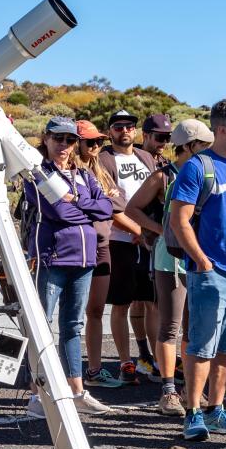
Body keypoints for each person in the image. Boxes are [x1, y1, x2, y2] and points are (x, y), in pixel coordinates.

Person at [169, 100, 226, 441]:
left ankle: (216, 410)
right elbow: (179, 220)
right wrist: (203, 261)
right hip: (210, 273)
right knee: (202, 345)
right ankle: (193, 412)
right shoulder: (197, 167)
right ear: (222, 130)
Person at [22, 117, 114, 418]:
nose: (64, 145)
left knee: (73, 326)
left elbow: (107, 208)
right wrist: (84, 207)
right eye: (58, 138)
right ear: (46, 139)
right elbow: (58, 211)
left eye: (70, 140)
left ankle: (76, 390)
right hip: (53, 258)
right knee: (42, 326)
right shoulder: (36, 174)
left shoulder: (84, 174)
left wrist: (78, 202)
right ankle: (38, 393)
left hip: (85, 260)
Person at [123, 119, 213, 416]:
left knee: (194, 327)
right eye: (203, 145)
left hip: (200, 255)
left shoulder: (206, 172)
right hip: (170, 259)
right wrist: (163, 230)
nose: (208, 150)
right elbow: (131, 208)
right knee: (170, 326)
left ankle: (190, 389)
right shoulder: (164, 176)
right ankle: (169, 391)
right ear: (188, 146)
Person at [97, 109, 159, 385]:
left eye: (129, 126)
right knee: (120, 304)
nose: (125, 131)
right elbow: (111, 207)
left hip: (148, 241)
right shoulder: (104, 160)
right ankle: (126, 362)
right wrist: (139, 231)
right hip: (119, 242)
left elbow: (156, 196)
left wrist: (150, 231)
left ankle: (158, 360)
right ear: (110, 131)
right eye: (118, 126)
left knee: (152, 302)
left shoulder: (146, 158)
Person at [72, 119, 124, 389]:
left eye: (98, 141)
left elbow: (116, 203)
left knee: (95, 310)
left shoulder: (100, 169)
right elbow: (96, 206)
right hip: (80, 246)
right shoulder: (71, 171)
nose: (94, 146)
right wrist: (102, 201)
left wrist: (98, 202)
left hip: (103, 244)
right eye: (89, 141)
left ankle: (93, 369)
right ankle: (69, 372)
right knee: (72, 313)